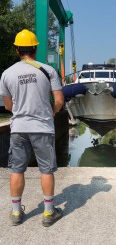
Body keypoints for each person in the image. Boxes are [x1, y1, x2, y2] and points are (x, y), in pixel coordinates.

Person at [0, 29, 64, 227]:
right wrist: (50, 112)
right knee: (46, 170)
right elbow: (60, 100)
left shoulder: (7, 74)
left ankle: (16, 212)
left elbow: (8, 106)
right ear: (35, 48)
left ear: (17, 49)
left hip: (19, 127)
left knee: (17, 169)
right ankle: (48, 212)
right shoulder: (48, 70)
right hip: (42, 127)